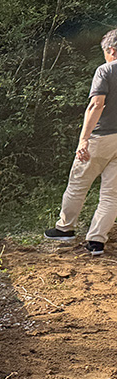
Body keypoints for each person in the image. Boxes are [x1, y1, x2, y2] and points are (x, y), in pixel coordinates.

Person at [45, 28, 117, 256]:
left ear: (111, 50)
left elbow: (96, 105)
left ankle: (65, 228)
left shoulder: (105, 70)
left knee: (78, 183)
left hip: (101, 136)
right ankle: (96, 241)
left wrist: (83, 140)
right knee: (111, 194)